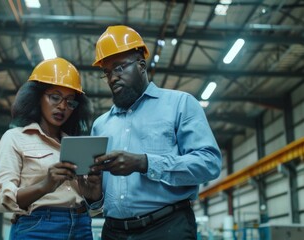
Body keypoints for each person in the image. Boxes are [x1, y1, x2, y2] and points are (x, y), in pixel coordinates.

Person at [87, 25, 223, 240]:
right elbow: (99, 197)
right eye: (107, 72)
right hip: (113, 232)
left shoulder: (180, 104)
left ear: (141, 65)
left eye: (120, 68)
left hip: (166, 228)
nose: (113, 78)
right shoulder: (101, 125)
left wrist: (145, 163)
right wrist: (93, 195)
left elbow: (209, 164)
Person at [0, 57, 98, 240]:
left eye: (70, 102)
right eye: (55, 97)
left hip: (81, 225)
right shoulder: (15, 138)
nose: (62, 106)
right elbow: (1, 199)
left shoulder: (76, 145)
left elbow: (89, 198)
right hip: (38, 228)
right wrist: (44, 185)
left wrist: (92, 194)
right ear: (37, 97)